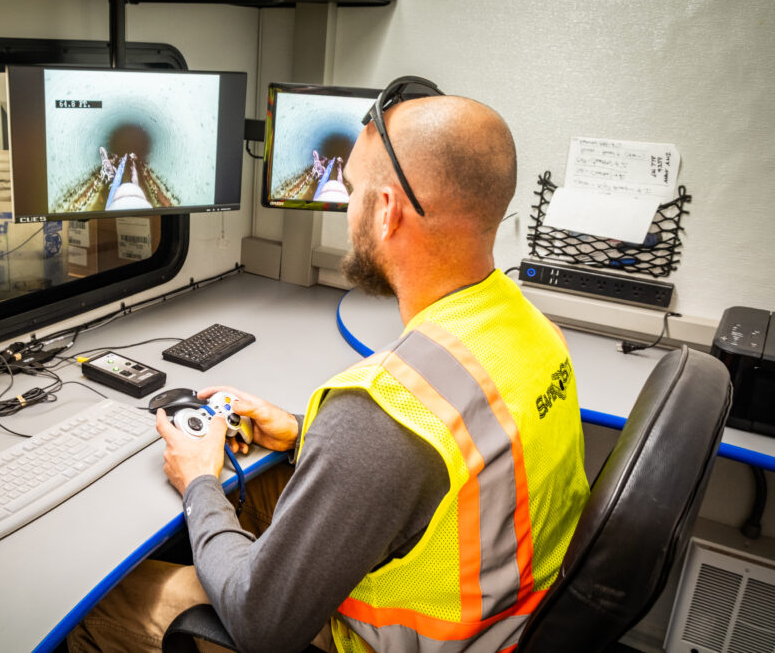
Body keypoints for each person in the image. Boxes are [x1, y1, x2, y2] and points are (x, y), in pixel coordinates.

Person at [68, 80, 590, 653]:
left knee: (98, 602)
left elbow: (259, 625)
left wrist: (197, 480)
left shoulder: (377, 417)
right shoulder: (535, 332)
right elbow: (447, 456)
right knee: (259, 493)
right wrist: (303, 433)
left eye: (352, 190)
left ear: (386, 211)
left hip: (376, 642)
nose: (346, 209)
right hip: (503, 618)